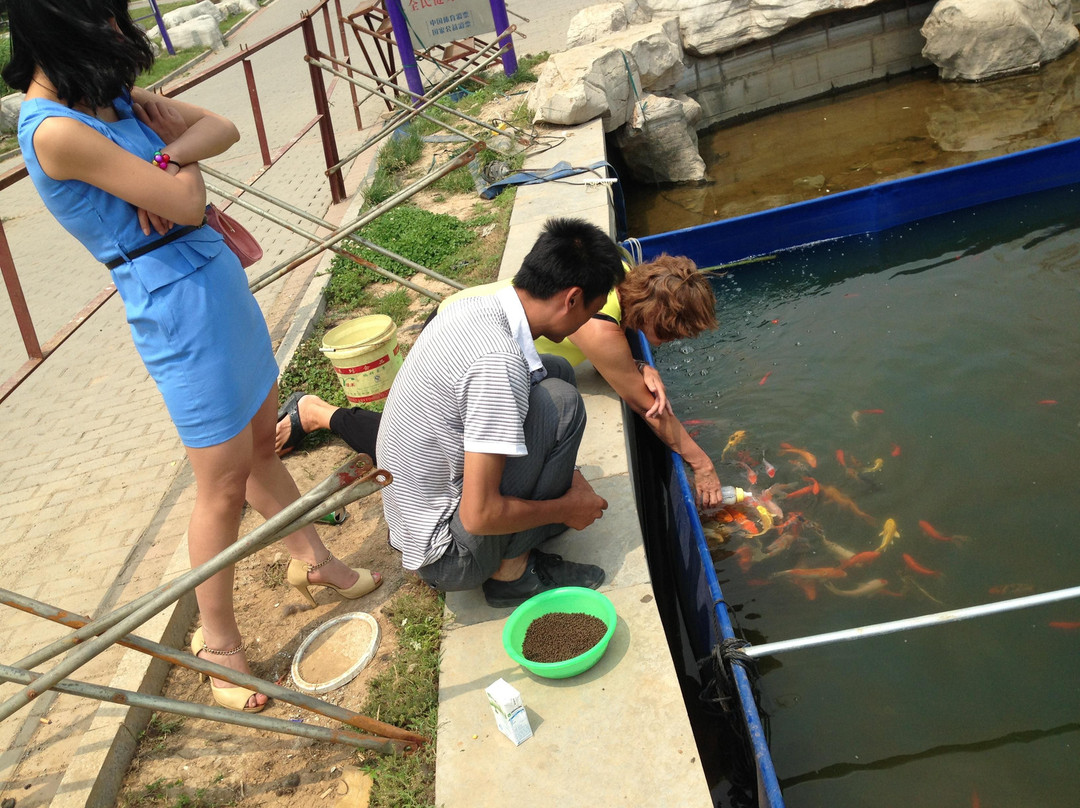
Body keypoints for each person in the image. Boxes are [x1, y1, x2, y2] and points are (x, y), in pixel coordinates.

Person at [4, 0, 381, 714]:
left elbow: (221, 130)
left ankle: (316, 563)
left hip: (214, 279)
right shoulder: (54, 128)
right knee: (219, 487)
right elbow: (181, 204)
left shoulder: (108, 97)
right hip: (174, 308)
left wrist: (173, 156)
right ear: (59, 29)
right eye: (105, 22)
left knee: (262, 449)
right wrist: (180, 170)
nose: (121, 35)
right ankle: (220, 646)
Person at [277, 254, 723, 506]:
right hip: (466, 337)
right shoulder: (598, 327)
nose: (664, 344)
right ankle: (319, 412)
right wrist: (701, 463)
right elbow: (648, 408)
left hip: (473, 314)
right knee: (419, 443)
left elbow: (625, 359)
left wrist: (642, 366)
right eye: (666, 334)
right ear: (652, 314)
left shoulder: (617, 270)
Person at [376, 217, 625, 607]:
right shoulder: (497, 362)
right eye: (591, 310)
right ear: (572, 299)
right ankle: (513, 574)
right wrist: (568, 507)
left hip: (416, 518)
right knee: (562, 403)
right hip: (448, 556)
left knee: (555, 370)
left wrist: (567, 479)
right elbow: (478, 516)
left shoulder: (477, 308)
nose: (588, 322)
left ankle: (527, 531)